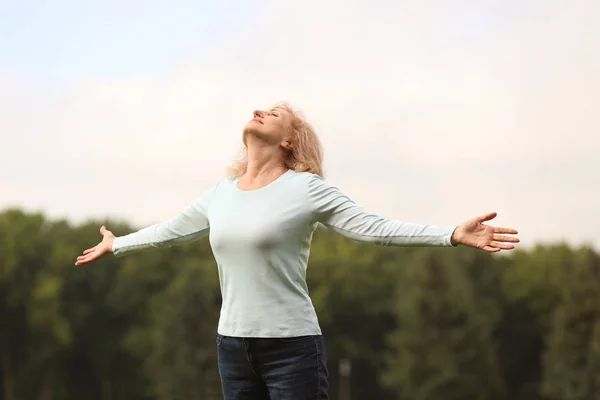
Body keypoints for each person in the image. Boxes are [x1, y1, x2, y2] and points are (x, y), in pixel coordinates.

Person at [75, 102, 519, 400]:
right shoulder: (220, 194)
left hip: (291, 348)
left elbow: (372, 228)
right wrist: (118, 245)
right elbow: (171, 230)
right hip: (232, 346)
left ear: (290, 141)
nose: (259, 112)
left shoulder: (305, 190)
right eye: (260, 108)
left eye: (274, 114)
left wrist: (450, 234)